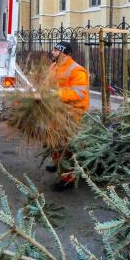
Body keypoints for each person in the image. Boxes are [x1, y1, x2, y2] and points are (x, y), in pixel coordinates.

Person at [47, 41, 89, 191]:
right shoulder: (54, 66)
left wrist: (56, 94)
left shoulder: (77, 70)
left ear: (64, 53)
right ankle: (58, 164)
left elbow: (78, 93)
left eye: (56, 50)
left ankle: (68, 179)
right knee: (53, 140)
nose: (53, 52)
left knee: (66, 146)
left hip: (72, 112)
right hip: (57, 110)